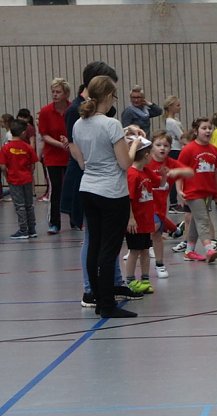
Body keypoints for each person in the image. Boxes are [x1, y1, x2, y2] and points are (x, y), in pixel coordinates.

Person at [60, 61, 141, 308]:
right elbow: (126, 163)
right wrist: (135, 142)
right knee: (109, 248)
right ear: (107, 96)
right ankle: (106, 302)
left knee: (95, 244)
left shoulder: (79, 123)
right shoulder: (110, 124)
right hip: (110, 191)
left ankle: (95, 294)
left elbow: (83, 161)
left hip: (88, 188)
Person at [147, 130, 193, 278]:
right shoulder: (146, 161)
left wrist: (174, 173)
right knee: (153, 230)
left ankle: (159, 264)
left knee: (157, 235)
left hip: (160, 207)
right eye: (158, 145)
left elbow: (190, 172)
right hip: (143, 206)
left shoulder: (171, 163)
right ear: (152, 146)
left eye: (166, 145)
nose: (162, 148)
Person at [177, 117, 217, 263]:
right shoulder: (188, 150)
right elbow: (179, 171)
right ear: (196, 131)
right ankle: (209, 248)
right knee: (203, 219)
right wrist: (179, 190)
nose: (208, 130)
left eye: (210, 128)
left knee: (196, 222)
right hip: (193, 192)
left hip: (207, 192)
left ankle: (189, 251)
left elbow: (216, 172)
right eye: (204, 128)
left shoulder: (214, 150)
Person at [38, 78, 71, 234]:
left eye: (58, 92)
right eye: (53, 92)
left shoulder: (73, 109)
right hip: (52, 157)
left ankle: (75, 220)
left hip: (71, 156)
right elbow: (44, 135)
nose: (55, 95)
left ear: (66, 94)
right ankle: (54, 223)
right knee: (55, 189)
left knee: (73, 188)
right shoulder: (45, 111)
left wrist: (69, 144)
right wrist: (60, 144)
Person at [124, 136, 156, 294]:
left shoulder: (145, 172)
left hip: (146, 220)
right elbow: (128, 198)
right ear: (145, 155)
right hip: (136, 221)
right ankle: (129, 280)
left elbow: (158, 182)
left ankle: (145, 278)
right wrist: (130, 218)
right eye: (150, 153)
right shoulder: (132, 174)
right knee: (134, 251)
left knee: (145, 250)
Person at [0, 119, 39, 239]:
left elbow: (3, 166)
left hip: (14, 180)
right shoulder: (28, 147)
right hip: (27, 179)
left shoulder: (5, 148)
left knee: (19, 205)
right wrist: (28, 173)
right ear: (23, 133)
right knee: (29, 205)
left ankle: (23, 230)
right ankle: (32, 229)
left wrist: (8, 176)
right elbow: (33, 165)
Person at [163, 95, 184, 212]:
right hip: (175, 150)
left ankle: (174, 202)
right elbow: (181, 136)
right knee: (175, 176)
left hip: (177, 149)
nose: (180, 107)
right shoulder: (171, 122)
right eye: (177, 105)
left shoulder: (174, 120)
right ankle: (173, 203)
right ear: (170, 107)